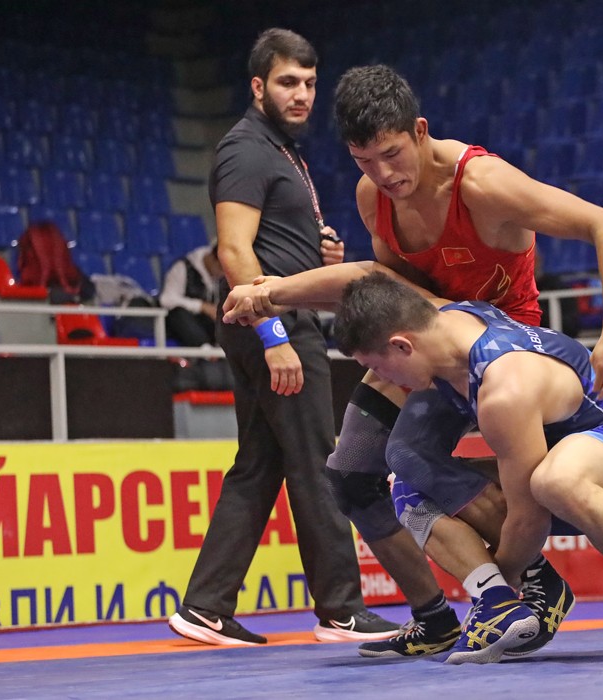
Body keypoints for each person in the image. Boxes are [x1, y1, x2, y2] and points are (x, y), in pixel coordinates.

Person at [286, 63, 603, 659]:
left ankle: (528, 580)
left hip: (504, 349)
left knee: (413, 459)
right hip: (431, 342)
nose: (384, 174)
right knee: (351, 475)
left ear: (420, 131)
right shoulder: (373, 195)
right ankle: (439, 617)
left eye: (392, 154)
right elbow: (392, 292)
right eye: (365, 161)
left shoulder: (483, 184)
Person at [227, 268, 603, 662]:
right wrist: (272, 294)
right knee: (410, 481)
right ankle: (497, 605)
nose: (382, 380)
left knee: (552, 481)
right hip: (557, 453)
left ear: (402, 345)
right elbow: (363, 276)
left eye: (377, 367)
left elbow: (528, 518)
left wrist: (501, 571)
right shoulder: (438, 324)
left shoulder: (502, 389)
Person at [167, 28, 398, 647]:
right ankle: (341, 609)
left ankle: (206, 606)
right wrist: (274, 336)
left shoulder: (279, 150)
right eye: (288, 82)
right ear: (257, 86)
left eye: (310, 83)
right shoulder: (246, 149)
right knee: (320, 461)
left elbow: (267, 243)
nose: (302, 94)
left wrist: (319, 258)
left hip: (276, 319)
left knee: (258, 465)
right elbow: (233, 250)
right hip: (274, 326)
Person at [159, 244, 224, 347]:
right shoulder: (183, 267)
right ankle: (204, 348)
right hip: (181, 325)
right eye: (221, 268)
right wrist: (201, 306)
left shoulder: (221, 280)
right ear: (212, 257)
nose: (222, 274)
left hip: (206, 326)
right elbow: (167, 299)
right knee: (178, 313)